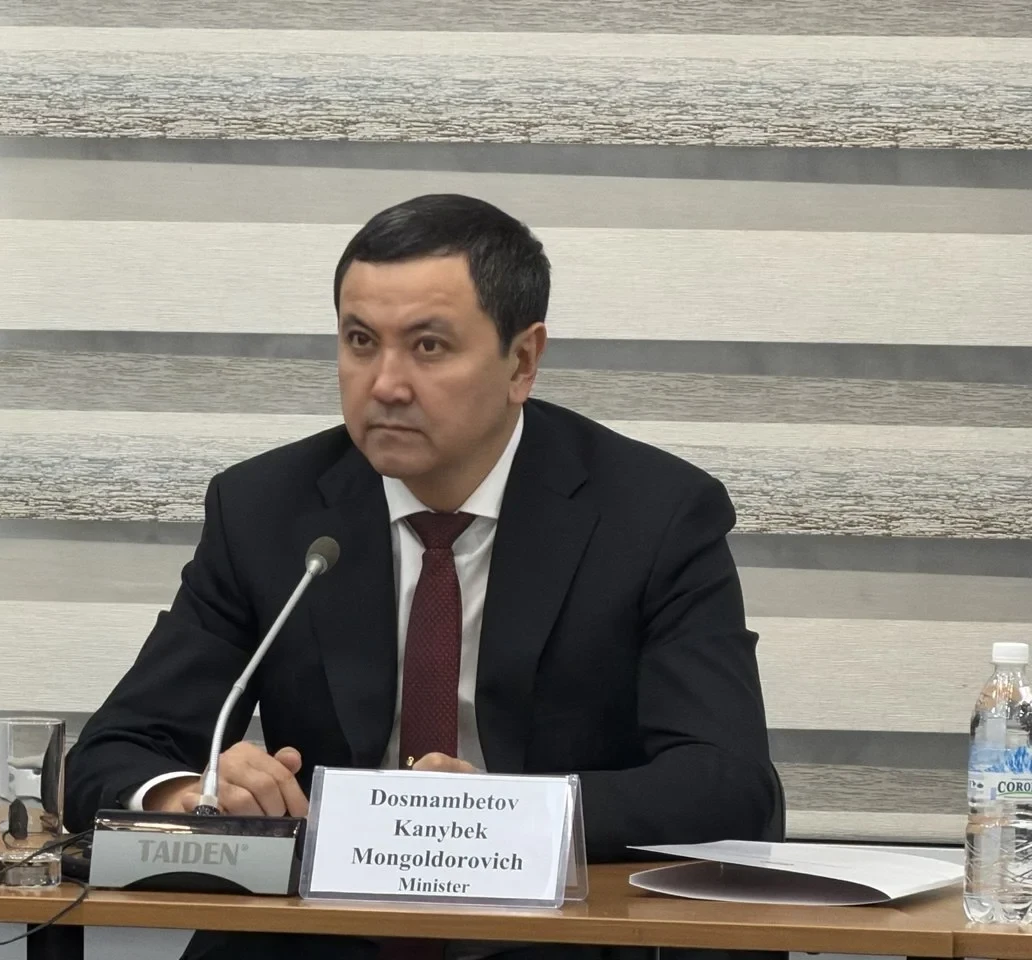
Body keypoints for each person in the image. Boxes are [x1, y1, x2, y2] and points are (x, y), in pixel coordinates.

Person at [64, 194, 781, 959]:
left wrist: (502, 816)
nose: (385, 384)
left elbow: (728, 784)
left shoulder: (654, 515)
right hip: (319, 941)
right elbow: (111, 756)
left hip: (550, 940)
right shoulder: (266, 511)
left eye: (429, 346)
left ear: (522, 362)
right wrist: (194, 794)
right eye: (360, 341)